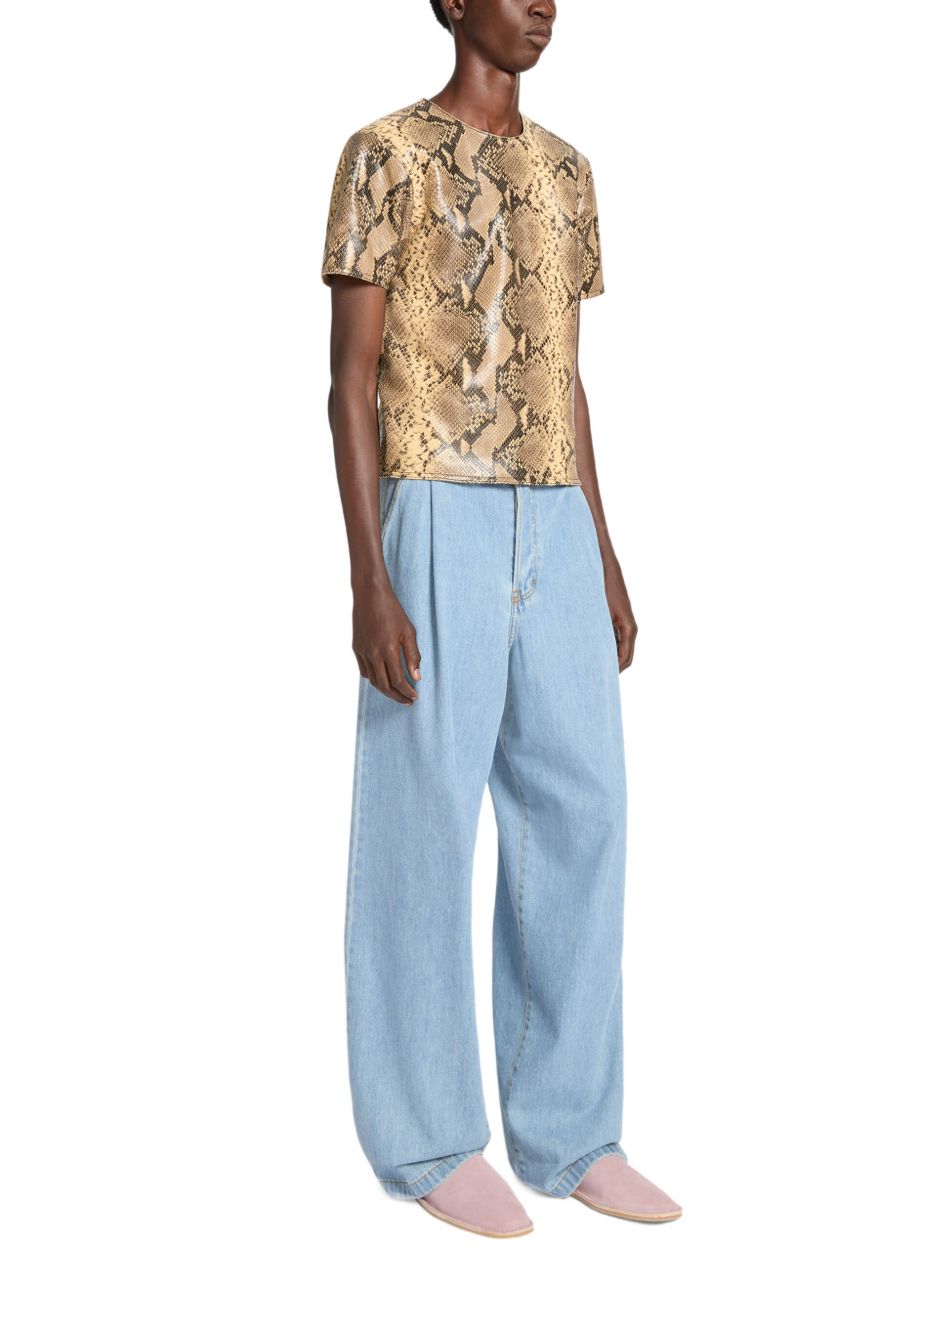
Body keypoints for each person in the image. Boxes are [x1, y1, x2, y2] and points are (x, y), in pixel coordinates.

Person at [322, 0, 682, 1238]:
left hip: (554, 516)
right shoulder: (385, 153)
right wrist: (370, 576)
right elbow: (349, 380)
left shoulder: (567, 171)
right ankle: (425, 1135)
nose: (541, 4)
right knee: (424, 814)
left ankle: (569, 1128)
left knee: (582, 808)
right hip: (433, 503)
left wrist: (604, 549)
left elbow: (563, 371)